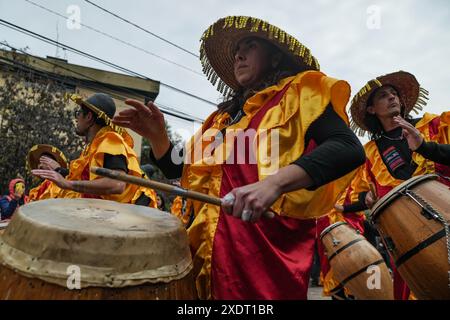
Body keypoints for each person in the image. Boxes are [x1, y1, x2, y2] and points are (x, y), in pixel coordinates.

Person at [113, 16, 365, 299]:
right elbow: (179, 169)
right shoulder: (220, 119)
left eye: (251, 45)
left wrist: (274, 184)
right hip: (205, 256)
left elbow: (348, 148)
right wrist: (157, 136)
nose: (239, 55)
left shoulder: (299, 92)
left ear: (274, 58)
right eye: (236, 51)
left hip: (263, 256)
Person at [342, 70, 450, 299]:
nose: (392, 97)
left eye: (394, 93)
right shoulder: (369, 154)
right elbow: (358, 196)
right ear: (371, 109)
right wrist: (366, 199)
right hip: (406, 243)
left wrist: (424, 146)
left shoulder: (434, 125)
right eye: (383, 95)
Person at [32, 93, 157, 207]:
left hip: (125, 217)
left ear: (89, 117)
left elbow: (117, 184)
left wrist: (67, 184)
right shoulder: (94, 146)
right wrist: (59, 170)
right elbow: (87, 179)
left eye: (78, 113)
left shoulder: (110, 141)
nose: (76, 118)